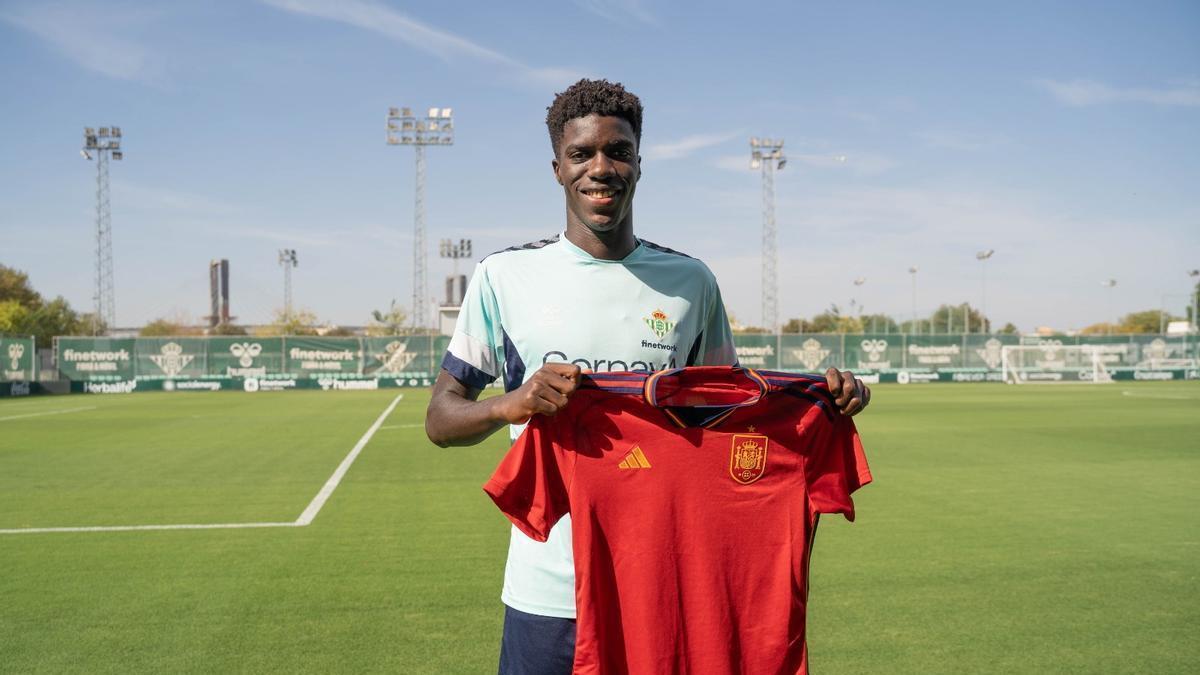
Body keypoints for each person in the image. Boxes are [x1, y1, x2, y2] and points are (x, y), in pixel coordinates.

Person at [424, 78, 870, 675]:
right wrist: (512, 404)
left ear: (639, 164)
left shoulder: (691, 283)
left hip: (659, 590)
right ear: (557, 169)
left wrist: (824, 403)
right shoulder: (503, 276)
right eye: (582, 154)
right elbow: (440, 419)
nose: (601, 169)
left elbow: (732, 419)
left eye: (619, 152)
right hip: (547, 593)